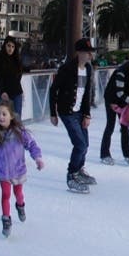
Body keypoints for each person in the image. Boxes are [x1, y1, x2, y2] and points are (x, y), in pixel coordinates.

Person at [0, 100, 44, 237]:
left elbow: (31, 145)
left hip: (18, 169)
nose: (0, 117)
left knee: (18, 194)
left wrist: (37, 158)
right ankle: (6, 219)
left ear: (11, 116)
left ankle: (20, 206)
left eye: (4, 114)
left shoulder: (19, 132)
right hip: (3, 170)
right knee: (5, 195)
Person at [48, 38, 97, 194]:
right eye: (86, 52)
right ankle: (72, 175)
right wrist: (53, 113)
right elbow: (53, 90)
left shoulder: (88, 69)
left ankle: (79, 170)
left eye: (90, 53)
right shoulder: (67, 69)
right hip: (67, 112)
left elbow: (87, 92)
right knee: (80, 144)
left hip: (80, 112)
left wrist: (87, 114)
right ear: (79, 53)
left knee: (85, 143)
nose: (89, 55)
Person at [101, 57, 129, 164]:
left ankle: (127, 153)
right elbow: (119, 93)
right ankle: (104, 154)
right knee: (110, 126)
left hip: (124, 101)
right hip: (111, 100)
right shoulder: (121, 73)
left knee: (125, 127)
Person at [0, 37, 24, 119]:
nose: (10, 49)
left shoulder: (16, 59)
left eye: (13, 47)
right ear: (5, 46)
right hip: (5, 94)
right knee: (5, 118)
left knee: (17, 118)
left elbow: (19, 75)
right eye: (9, 46)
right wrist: (2, 91)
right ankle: (6, 132)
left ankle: (16, 132)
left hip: (17, 92)